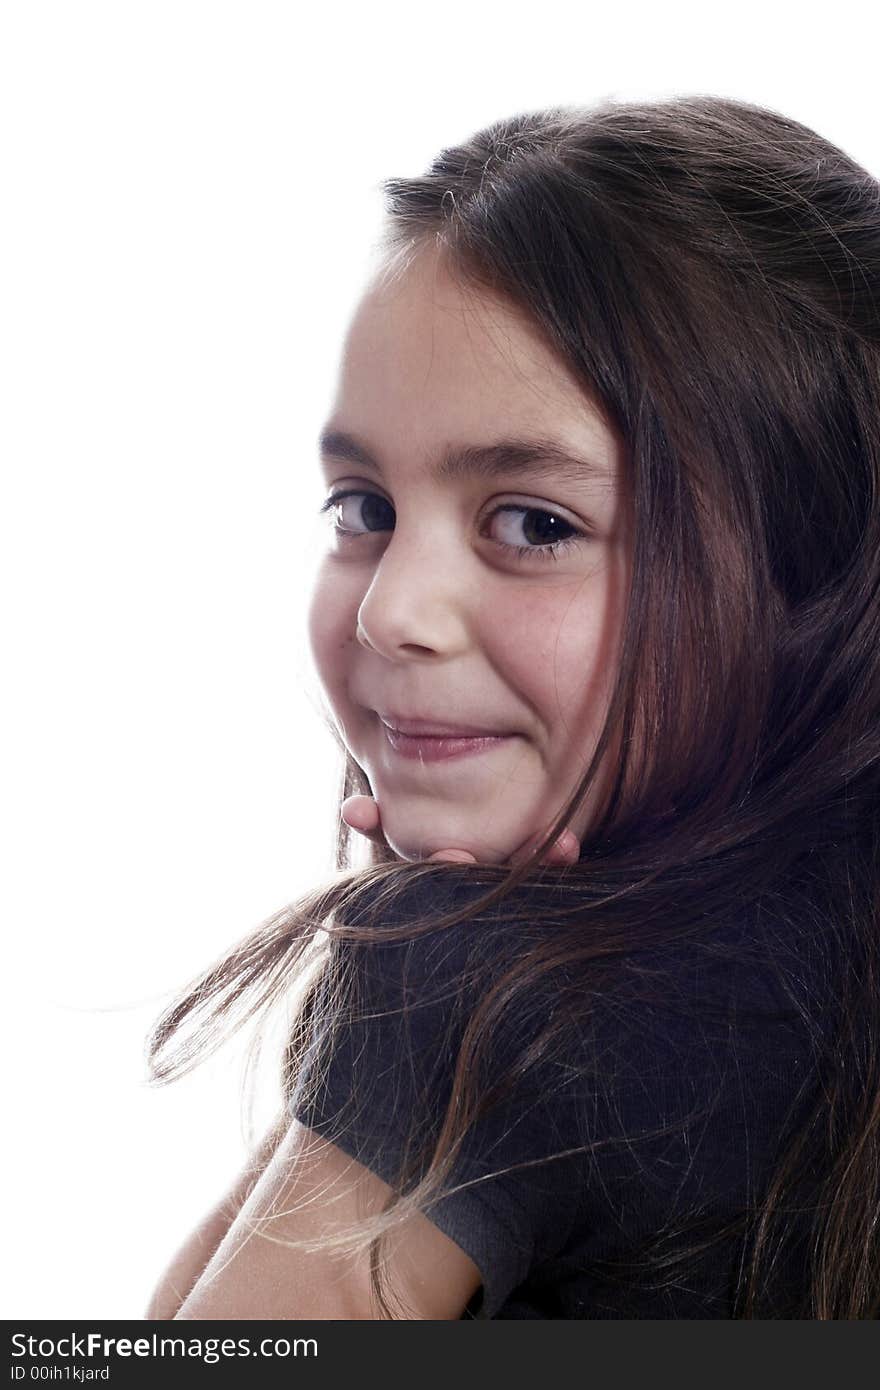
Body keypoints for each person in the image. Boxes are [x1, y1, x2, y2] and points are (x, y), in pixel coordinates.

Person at [143, 93, 880, 1320]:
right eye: (362, 508)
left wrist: (421, 977)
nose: (390, 612)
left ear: (815, 573)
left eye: (534, 524)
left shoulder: (501, 998)